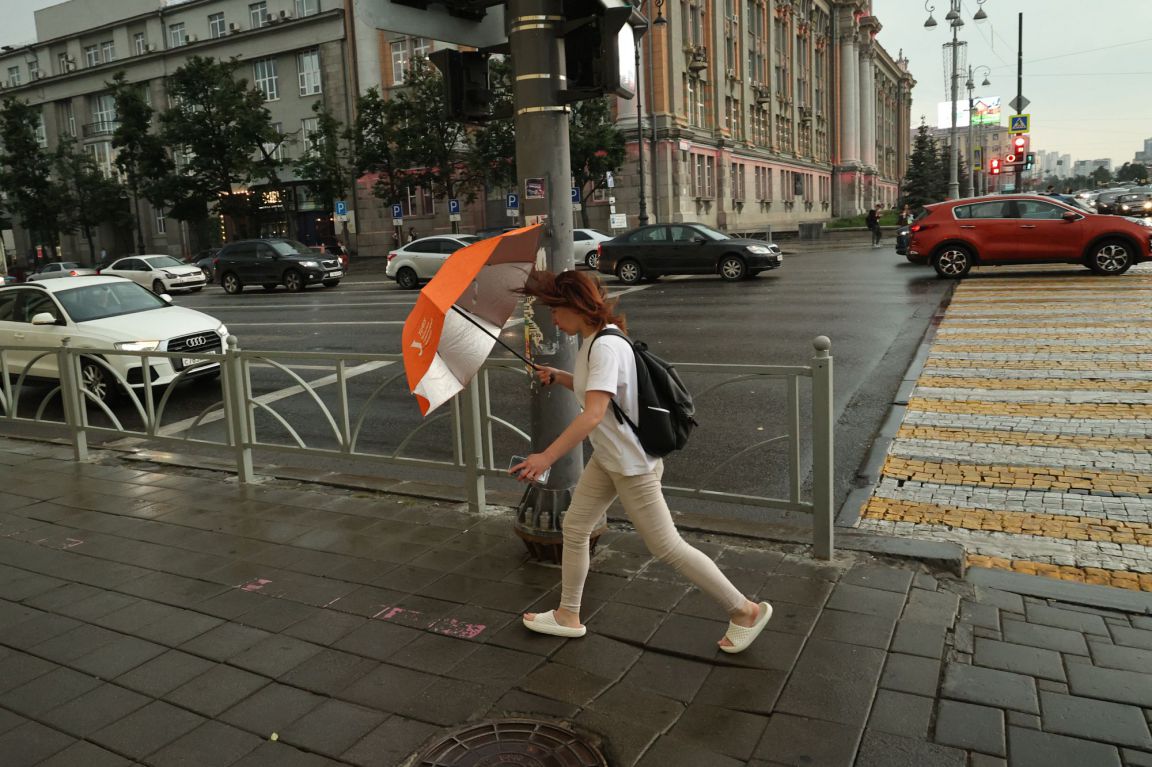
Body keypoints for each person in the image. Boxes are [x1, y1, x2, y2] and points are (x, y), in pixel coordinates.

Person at [510, 270, 773, 654]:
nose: (552, 318)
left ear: (575, 306)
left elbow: (593, 413)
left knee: (667, 547)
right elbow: (603, 392)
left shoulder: (604, 346)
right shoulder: (596, 339)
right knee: (576, 527)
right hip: (609, 458)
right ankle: (568, 615)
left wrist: (545, 457)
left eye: (554, 309)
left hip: (631, 465)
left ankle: (745, 610)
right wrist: (560, 376)